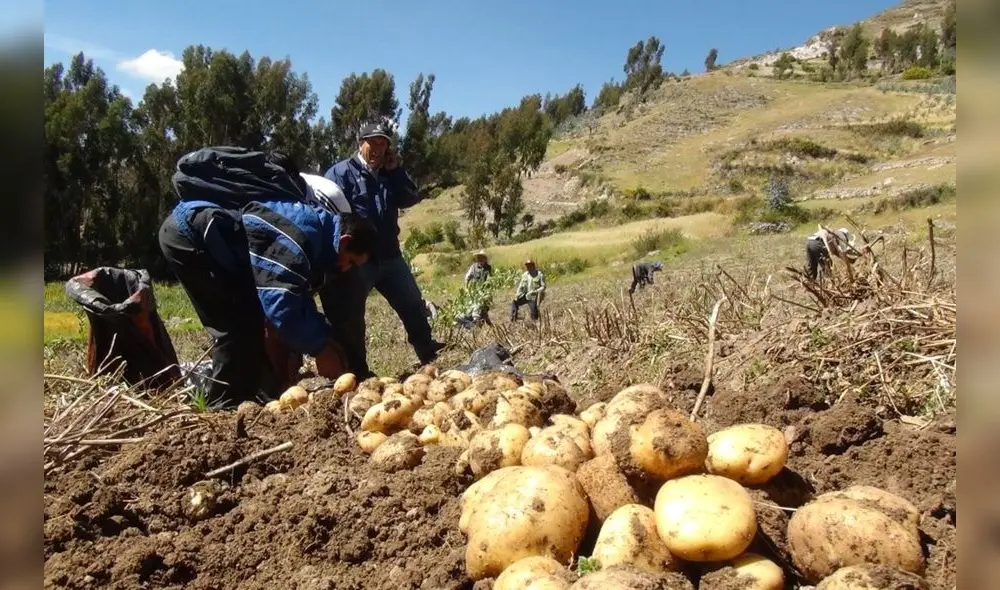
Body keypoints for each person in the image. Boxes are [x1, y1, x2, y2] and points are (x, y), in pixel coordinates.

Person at [159, 195, 376, 406]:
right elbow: (281, 306)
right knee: (234, 328)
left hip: (220, 249)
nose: (345, 268)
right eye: (350, 261)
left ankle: (256, 391)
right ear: (345, 241)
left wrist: (325, 337)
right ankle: (224, 405)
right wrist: (320, 349)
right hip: (189, 236)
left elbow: (298, 297)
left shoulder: (317, 236)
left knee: (251, 323)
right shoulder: (300, 236)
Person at [322, 119, 445, 377]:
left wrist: (396, 170)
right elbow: (330, 217)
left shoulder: (389, 174)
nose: (378, 149)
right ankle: (358, 371)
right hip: (358, 260)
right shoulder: (340, 173)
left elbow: (410, 197)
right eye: (373, 143)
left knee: (412, 303)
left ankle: (427, 351)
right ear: (361, 143)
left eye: (383, 144)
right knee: (351, 317)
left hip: (390, 256)